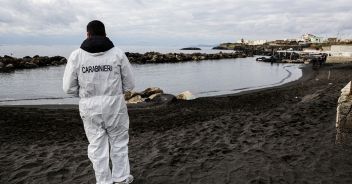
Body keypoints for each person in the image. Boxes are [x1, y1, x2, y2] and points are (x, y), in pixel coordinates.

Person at [63, 20, 135, 184]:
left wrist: (85, 95)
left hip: (89, 106)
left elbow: (68, 88)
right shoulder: (117, 53)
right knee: (119, 142)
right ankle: (121, 177)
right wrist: (115, 92)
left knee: (97, 145)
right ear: (105, 34)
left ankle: (103, 181)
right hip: (115, 105)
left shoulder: (77, 56)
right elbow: (130, 84)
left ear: (87, 34)